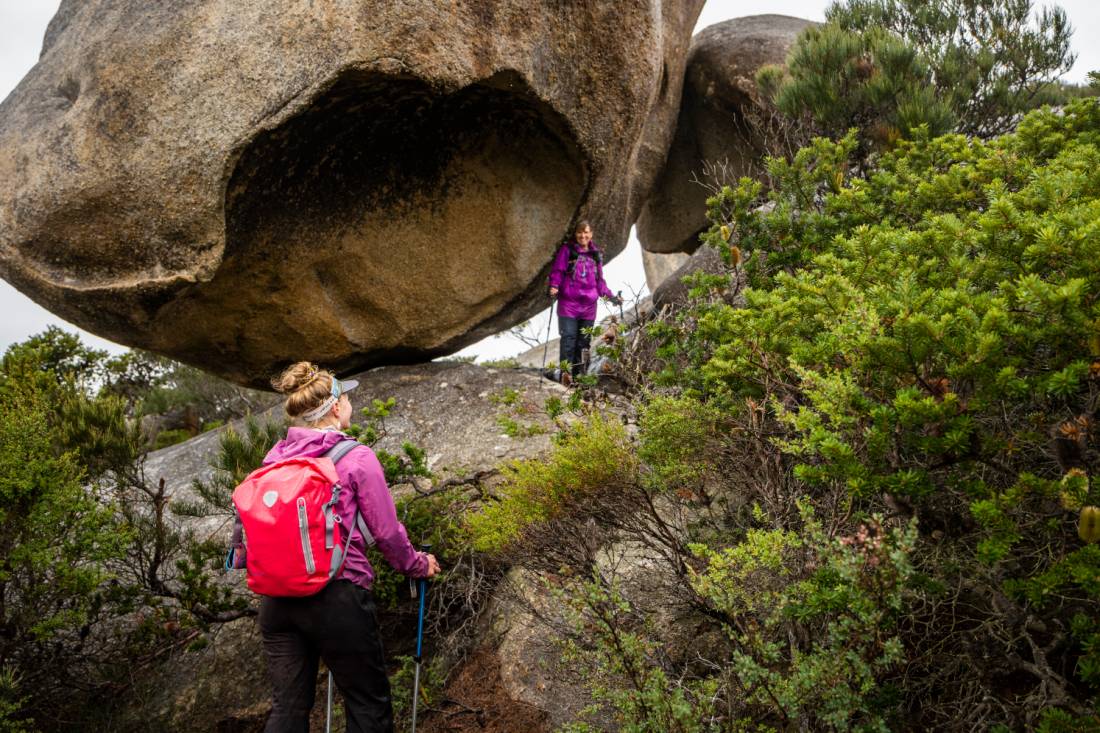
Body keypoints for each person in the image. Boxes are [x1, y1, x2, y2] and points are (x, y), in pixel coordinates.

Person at [260, 362, 440, 733]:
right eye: (348, 398)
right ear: (337, 407)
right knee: (366, 704)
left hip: (277, 601)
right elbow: (387, 533)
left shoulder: (274, 460)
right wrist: (417, 565)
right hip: (337, 595)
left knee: (288, 709)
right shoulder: (356, 457)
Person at [548, 220, 622, 382]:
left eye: (586, 232)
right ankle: (565, 375)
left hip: (588, 307)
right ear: (576, 235)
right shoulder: (568, 251)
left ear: (591, 234)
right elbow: (558, 271)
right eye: (580, 233)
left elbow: (600, 282)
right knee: (568, 338)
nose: (583, 236)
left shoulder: (596, 255)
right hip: (568, 304)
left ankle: (580, 377)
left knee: (584, 343)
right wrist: (554, 285)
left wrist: (612, 298)